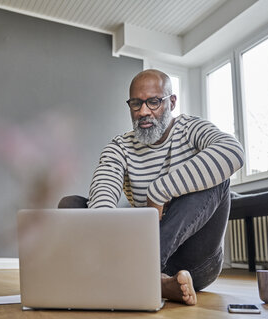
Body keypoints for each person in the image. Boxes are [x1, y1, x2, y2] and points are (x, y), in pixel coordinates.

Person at [58, 69, 244, 305]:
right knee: (71, 204)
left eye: (154, 102)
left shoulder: (191, 128)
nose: (144, 112)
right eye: (136, 104)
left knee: (218, 179)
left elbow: (233, 151)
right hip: (139, 253)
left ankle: (130, 276)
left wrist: (160, 190)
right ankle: (159, 283)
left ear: (172, 102)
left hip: (196, 260)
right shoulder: (120, 147)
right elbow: (103, 195)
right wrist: (106, 241)